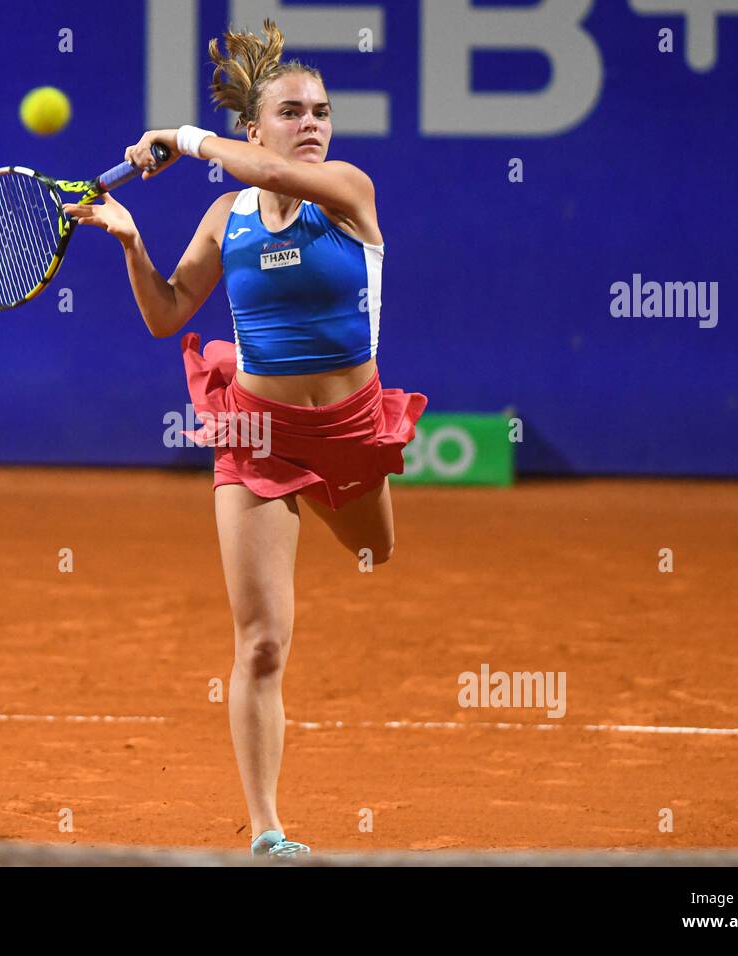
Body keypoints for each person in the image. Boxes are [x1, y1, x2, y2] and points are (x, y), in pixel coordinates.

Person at [63, 18, 426, 861]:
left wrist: (181, 138)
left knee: (377, 551)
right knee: (261, 642)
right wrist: (130, 241)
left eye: (322, 111)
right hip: (257, 434)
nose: (312, 125)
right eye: (292, 112)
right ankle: (267, 829)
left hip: (347, 429)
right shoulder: (227, 218)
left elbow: (259, 169)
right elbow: (164, 316)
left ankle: (332, 499)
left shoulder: (350, 193)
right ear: (257, 125)